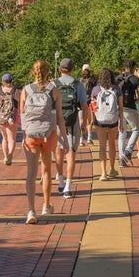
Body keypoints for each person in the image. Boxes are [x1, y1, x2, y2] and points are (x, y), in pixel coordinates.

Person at [20, 60, 69, 224]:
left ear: (33, 72)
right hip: (49, 134)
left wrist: (24, 135)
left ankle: (31, 210)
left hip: (31, 135)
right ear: (48, 72)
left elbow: (23, 116)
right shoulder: (54, 90)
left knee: (31, 172)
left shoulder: (25, 90)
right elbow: (60, 118)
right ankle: (46, 205)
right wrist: (65, 139)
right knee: (46, 170)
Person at [52, 59, 88, 199]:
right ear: (73, 69)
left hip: (57, 122)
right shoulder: (78, 85)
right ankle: (68, 187)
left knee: (59, 152)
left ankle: (60, 182)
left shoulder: (54, 84)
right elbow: (84, 106)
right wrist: (83, 122)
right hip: (73, 123)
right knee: (71, 153)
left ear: (60, 69)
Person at [91, 68, 124, 181]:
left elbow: (93, 107)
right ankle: (112, 169)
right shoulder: (117, 89)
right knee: (112, 144)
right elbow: (121, 108)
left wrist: (92, 120)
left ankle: (103, 173)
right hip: (113, 119)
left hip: (100, 120)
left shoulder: (95, 90)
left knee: (102, 146)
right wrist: (122, 123)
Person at [116, 60, 139, 167]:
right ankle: (128, 152)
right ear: (133, 68)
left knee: (122, 132)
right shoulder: (136, 79)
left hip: (119, 107)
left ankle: (121, 159)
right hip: (130, 107)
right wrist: (134, 101)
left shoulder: (118, 78)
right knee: (136, 130)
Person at [79, 64, 96, 146]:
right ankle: (89, 138)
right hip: (89, 102)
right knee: (89, 121)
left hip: (81, 103)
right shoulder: (92, 81)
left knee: (81, 121)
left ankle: (81, 140)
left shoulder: (79, 80)